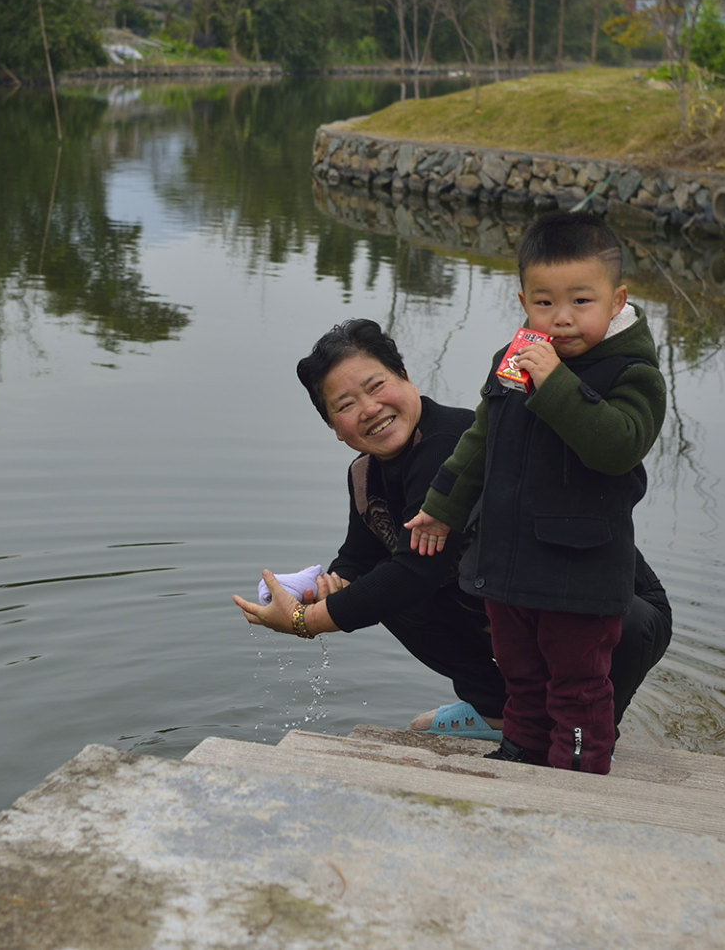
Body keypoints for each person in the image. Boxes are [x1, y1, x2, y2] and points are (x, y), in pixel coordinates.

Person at [232, 317, 672, 739]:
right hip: (527, 614)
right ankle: (497, 706)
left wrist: (306, 621)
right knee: (380, 588)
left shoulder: (453, 442)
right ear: (334, 428)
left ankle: (569, 725)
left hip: (622, 615)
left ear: (406, 377)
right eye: (345, 405)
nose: (369, 409)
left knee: (401, 583)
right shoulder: (364, 474)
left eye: (376, 386)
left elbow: (416, 572)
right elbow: (360, 557)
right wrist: (326, 586)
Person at [405, 212, 666, 775]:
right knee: (520, 675)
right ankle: (521, 754)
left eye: (581, 301)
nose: (562, 317)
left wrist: (556, 382)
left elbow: (618, 446)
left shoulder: (632, 373)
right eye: (545, 302)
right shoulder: (516, 356)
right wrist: (441, 508)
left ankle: (576, 773)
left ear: (617, 301)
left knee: (578, 684)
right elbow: (481, 439)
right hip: (511, 561)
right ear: (524, 300)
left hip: (580, 572)